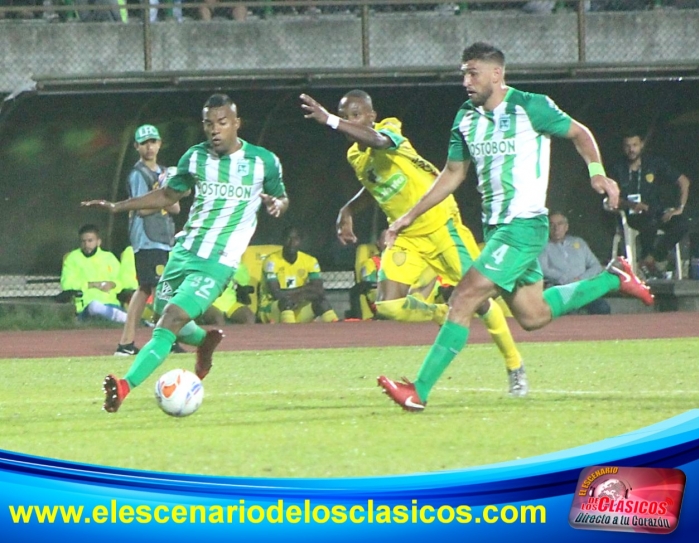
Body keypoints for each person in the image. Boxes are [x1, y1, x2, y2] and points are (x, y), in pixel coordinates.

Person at [375, 42, 654, 411]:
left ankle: (419, 390)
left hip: (523, 225)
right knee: (532, 315)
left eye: (473, 73)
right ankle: (614, 278)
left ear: (496, 74)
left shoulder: (530, 106)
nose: (466, 80)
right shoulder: (465, 117)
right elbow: (453, 173)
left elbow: (579, 133)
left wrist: (598, 173)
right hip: (497, 229)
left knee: (463, 298)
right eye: (463, 73)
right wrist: (409, 215)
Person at [301, 88, 528, 396]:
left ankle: (515, 365)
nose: (348, 121)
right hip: (406, 236)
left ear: (371, 116)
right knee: (387, 306)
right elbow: (375, 186)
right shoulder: (354, 155)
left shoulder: (388, 129)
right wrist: (348, 209)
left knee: (481, 300)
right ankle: (439, 313)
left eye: (355, 116)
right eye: (344, 116)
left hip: (440, 225)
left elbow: (379, 143)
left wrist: (328, 120)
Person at [82, 93, 289, 413]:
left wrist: (277, 203)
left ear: (236, 123)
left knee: (170, 319)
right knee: (162, 315)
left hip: (218, 261)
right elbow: (166, 195)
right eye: (209, 124)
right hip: (184, 251)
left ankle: (124, 386)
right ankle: (204, 342)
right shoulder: (195, 158)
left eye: (222, 123)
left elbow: (281, 197)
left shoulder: (263, 161)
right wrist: (117, 206)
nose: (215, 130)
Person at [115, 124, 182, 356]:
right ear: (137, 147)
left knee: (147, 289)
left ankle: (128, 343)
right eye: (144, 143)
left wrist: (167, 190)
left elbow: (175, 207)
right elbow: (141, 208)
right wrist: (162, 194)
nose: (149, 147)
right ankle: (166, 338)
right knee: (158, 288)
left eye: (153, 141)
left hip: (163, 238)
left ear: (160, 143)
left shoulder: (164, 171)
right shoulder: (138, 174)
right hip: (146, 239)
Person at [608, 129, 691, 279]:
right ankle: (648, 262)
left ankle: (651, 258)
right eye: (627, 146)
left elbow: (684, 181)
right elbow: (611, 199)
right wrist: (631, 205)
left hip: (656, 211)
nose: (631, 149)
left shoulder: (654, 163)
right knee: (649, 221)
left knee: (682, 223)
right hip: (632, 215)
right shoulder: (617, 167)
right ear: (623, 147)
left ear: (641, 145)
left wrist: (679, 208)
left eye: (634, 145)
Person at [258, 226, 339, 324]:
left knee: (322, 303)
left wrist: (299, 297)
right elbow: (276, 293)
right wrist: (305, 289)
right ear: (282, 240)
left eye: (295, 239)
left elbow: (319, 291)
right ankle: (290, 335)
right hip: (272, 309)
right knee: (286, 302)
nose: (292, 243)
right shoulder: (272, 261)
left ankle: (339, 332)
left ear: (300, 241)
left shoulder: (310, 261)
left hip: (298, 307)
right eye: (288, 238)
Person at [539, 212, 611, 315]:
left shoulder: (579, 242)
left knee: (603, 308)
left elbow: (596, 266)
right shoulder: (543, 246)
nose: (556, 228)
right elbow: (544, 269)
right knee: (568, 313)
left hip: (583, 288)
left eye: (560, 224)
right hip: (560, 289)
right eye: (552, 224)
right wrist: (567, 280)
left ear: (566, 227)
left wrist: (580, 279)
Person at [60, 224, 128, 324]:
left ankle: (118, 316)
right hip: (85, 307)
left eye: (90, 241)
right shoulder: (72, 258)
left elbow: (121, 281)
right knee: (94, 306)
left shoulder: (109, 257)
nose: (86, 245)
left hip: (111, 303)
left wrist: (113, 284)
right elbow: (66, 284)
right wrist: (90, 285)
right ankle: (125, 319)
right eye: (83, 241)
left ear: (98, 242)